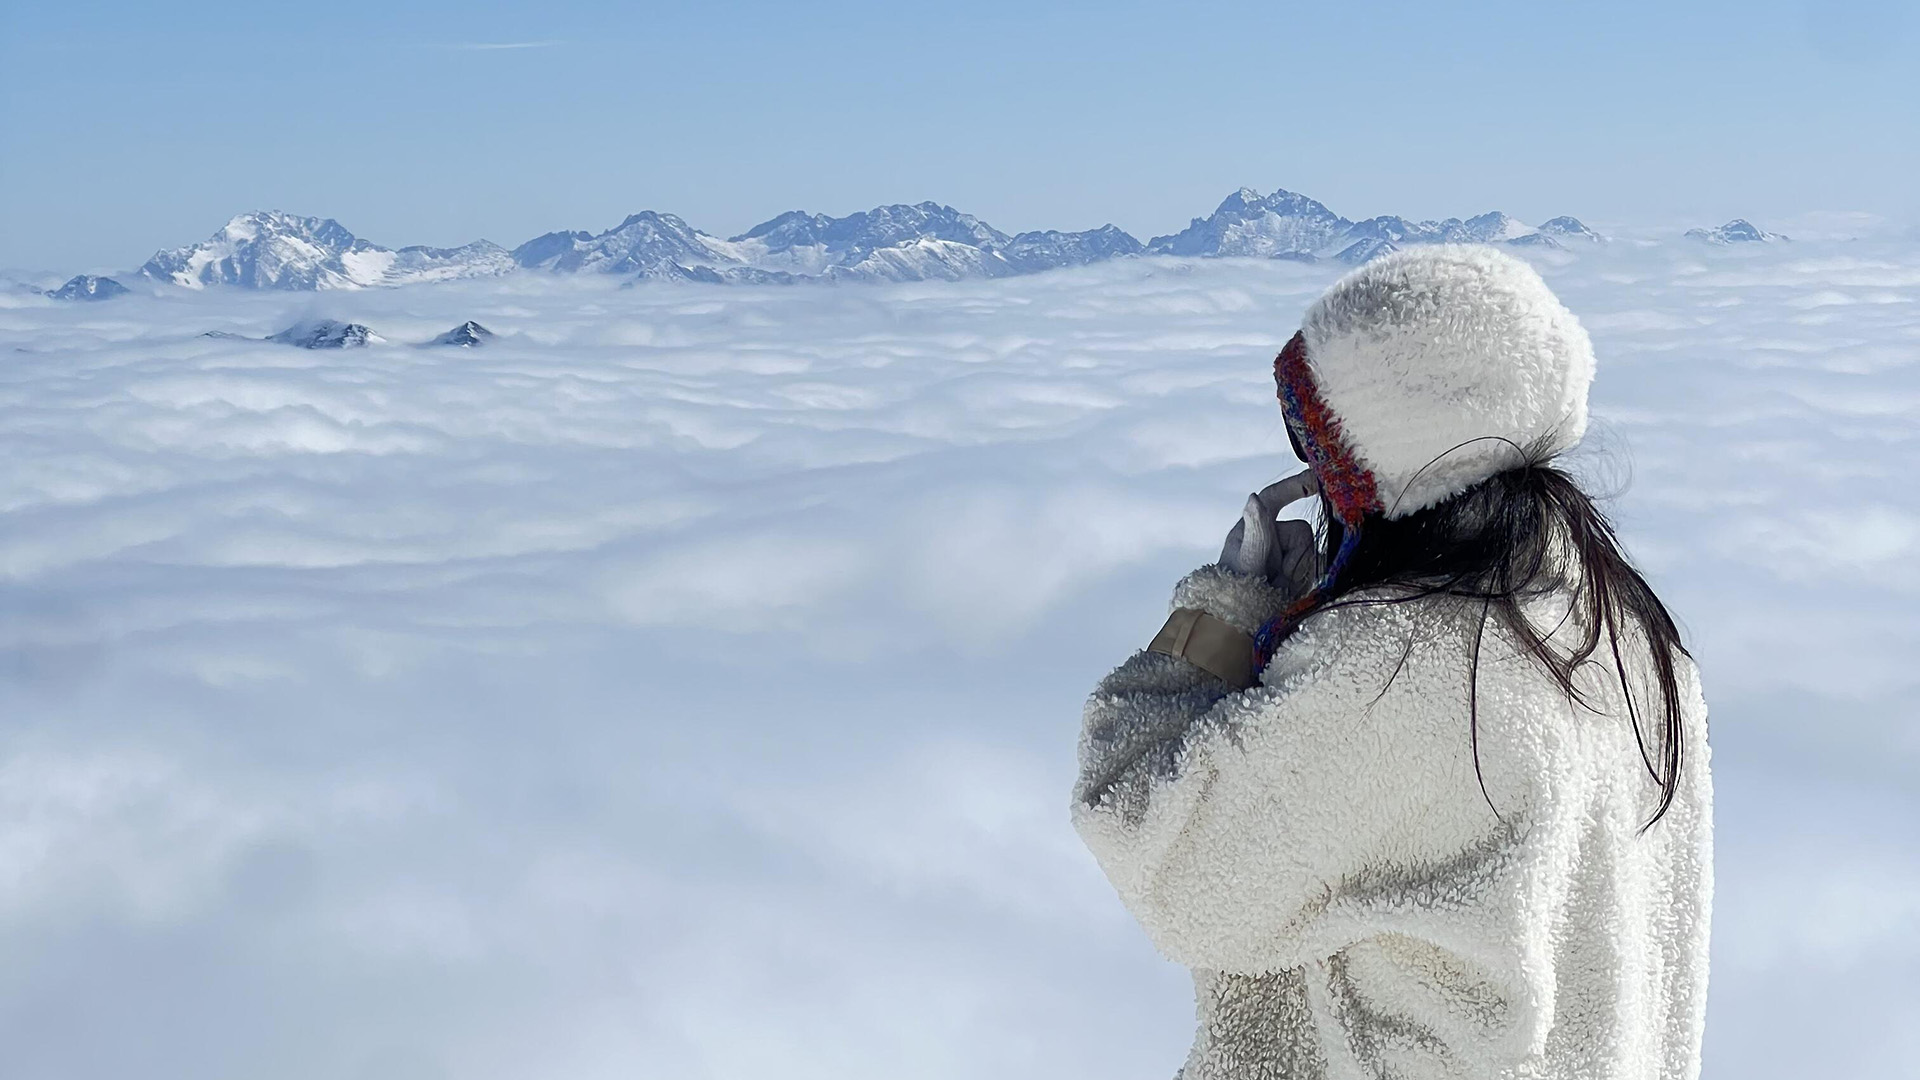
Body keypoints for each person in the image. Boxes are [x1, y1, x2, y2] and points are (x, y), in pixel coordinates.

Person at [1072, 246, 1713, 1080]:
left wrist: (1222, 617)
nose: (1315, 468)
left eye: (1320, 436)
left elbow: (1160, 853)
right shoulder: (1624, 634)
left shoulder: (1400, 666)